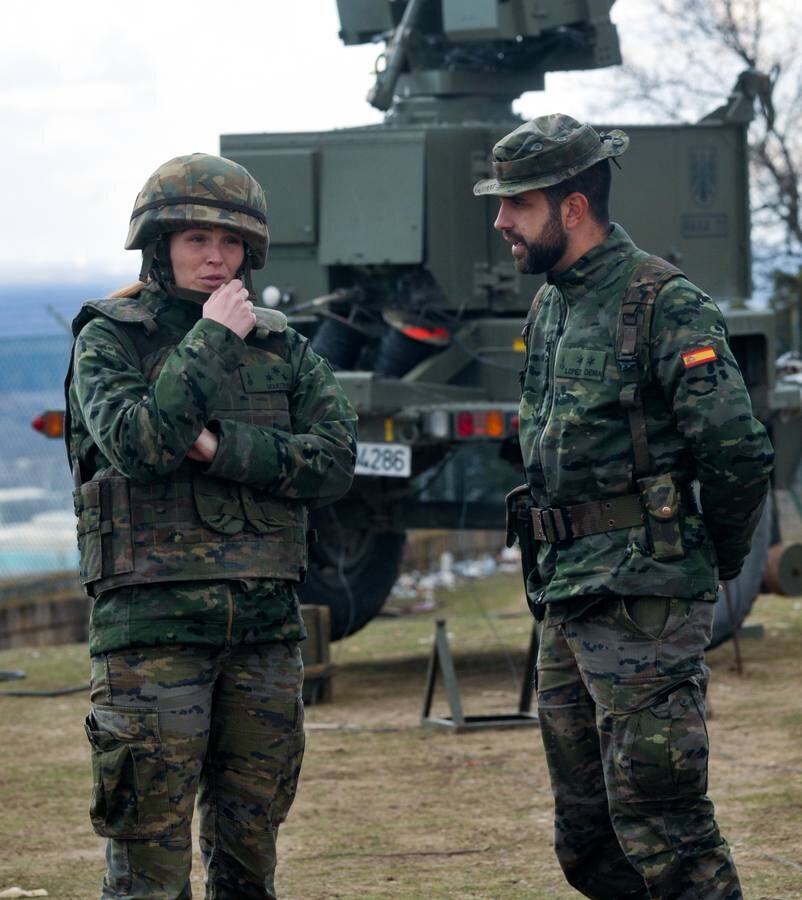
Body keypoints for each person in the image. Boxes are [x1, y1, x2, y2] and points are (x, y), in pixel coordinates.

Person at [475, 115, 774, 899]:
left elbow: (738, 451)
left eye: (518, 204)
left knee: (666, 825)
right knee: (587, 835)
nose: (501, 220)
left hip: (645, 597)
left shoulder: (663, 302)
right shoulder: (550, 309)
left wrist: (714, 562)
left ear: (572, 208)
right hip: (565, 596)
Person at [66, 153, 357, 899]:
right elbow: (139, 443)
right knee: (149, 864)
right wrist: (211, 341)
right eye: (197, 240)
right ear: (159, 245)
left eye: (230, 245)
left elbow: (333, 462)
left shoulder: (281, 345)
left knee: (250, 853)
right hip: (152, 630)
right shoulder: (110, 338)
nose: (216, 258)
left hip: (263, 630)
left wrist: (220, 447)